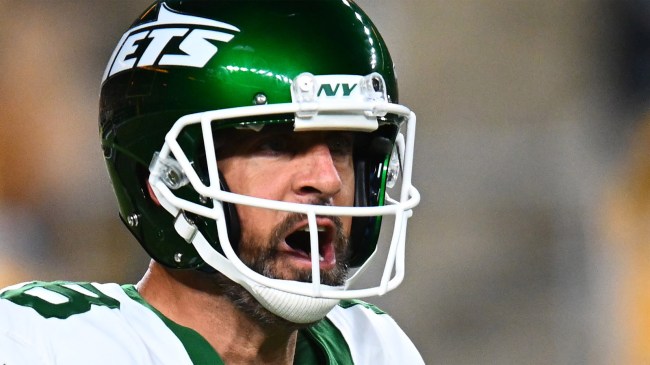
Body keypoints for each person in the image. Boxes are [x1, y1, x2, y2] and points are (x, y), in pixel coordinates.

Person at [0, 0, 422, 363]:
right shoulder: (46, 345)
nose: (327, 179)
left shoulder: (373, 349)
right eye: (276, 144)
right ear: (166, 178)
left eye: (342, 146)